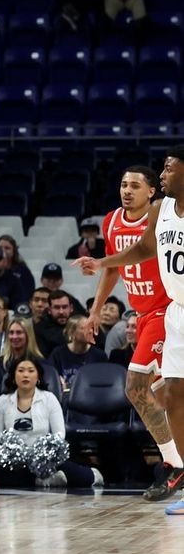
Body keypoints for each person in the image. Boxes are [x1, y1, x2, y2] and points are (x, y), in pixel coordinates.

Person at [77, 165, 184, 501]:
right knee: (161, 394)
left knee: (137, 386)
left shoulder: (159, 215)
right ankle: (176, 463)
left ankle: (172, 465)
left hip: (165, 310)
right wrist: (95, 311)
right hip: (142, 314)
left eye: (135, 185)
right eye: (123, 184)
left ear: (152, 191)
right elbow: (115, 268)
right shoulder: (110, 221)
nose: (126, 190)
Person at [0, 358, 103, 489]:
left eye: (31, 371)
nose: (25, 375)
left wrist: (44, 455)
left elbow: (59, 435)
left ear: (38, 377)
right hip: (13, 462)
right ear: (13, 377)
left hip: (43, 459)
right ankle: (42, 480)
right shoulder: (2, 401)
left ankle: (92, 476)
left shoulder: (49, 399)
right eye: (20, 371)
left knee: (68, 469)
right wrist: (10, 454)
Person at [47, 315, 108, 389]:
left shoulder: (99, 355)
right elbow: (51, 377)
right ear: (71, 332)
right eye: (84, 328)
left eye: (91, 327)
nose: (90, 331)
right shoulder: (58, 353)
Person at [0, 318, 45, 395]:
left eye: (19, 333)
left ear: (28, 335)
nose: (14, 337)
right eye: (11, 333)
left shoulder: (41, 363)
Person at [35, 290, 76, 357]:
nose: (61, 312)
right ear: (49, 310)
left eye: (65, 307)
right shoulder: (39, 329)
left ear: (71, 308)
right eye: (57, 307)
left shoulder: (80, 325)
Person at [0, 235, 35, 301]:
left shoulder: (23, 270)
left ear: (14, 251)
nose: (3, 251)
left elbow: (29, 292)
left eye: (7, 248)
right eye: (0, 247)